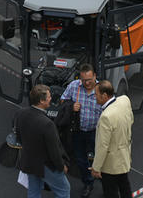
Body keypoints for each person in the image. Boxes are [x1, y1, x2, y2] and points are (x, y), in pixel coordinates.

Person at [14, 84, 69, 198]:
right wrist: (61, 166)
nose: (50, 99)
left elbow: (19, 137)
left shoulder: (20, 113)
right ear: (41, 101)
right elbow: (54, 151)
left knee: (34, 190)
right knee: (64, 190)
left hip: (29, 161)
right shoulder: (47, 124)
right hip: (45, 166)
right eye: (48, 97)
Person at [59, 65, 103, 197]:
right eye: (84, 80)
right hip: (78, 131)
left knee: (102, 160)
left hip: (97, 132)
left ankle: (107, 184)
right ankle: (88, 183)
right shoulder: (74, 86)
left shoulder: (102, 88)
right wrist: (71, 106)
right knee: (80, 159)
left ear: (95, 76)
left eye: (90, 79)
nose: (87, 83)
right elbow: (62, 100)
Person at [91, 80, 133, 198]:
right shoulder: (124, 100)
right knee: (125, 186)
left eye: (96, 94)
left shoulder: (106, 117)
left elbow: (102, 145)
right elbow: (130, 119)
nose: (95, 97)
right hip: (123, 157)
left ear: (104, 96)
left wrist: (96, 167)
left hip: (110, 164)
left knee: (110, 192)